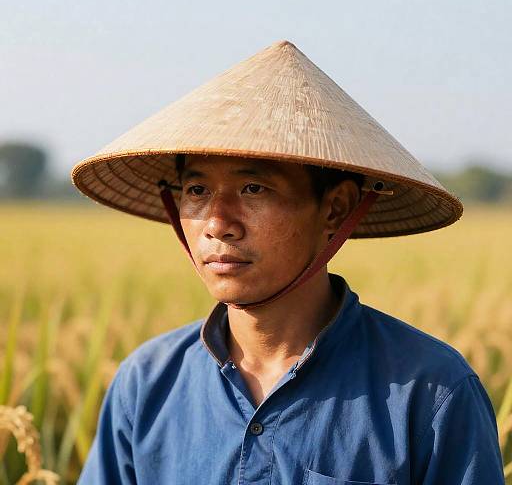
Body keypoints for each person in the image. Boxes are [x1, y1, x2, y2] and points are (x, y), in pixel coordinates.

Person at [71, 40, 505, 484]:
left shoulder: (430, 391)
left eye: (254, 189)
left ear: (335, 209)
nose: (218, 224)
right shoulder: (147, 384)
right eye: (197, 191)